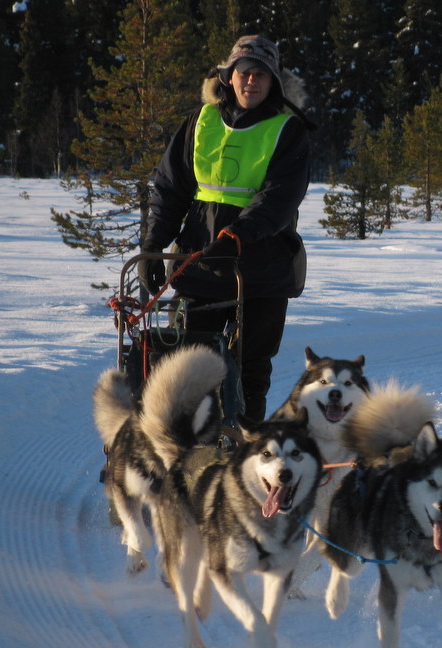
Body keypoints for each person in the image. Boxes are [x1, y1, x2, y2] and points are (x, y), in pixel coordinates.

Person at [138, 35, 310, 422]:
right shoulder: (200, 122)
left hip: (263, 272)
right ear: (228, 76)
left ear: (274, 82)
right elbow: (170, 189)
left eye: (261, 74)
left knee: (250, 374)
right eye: (244, 72)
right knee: (190, 370)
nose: (252, 81)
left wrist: (236, 237)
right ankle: (192, 448)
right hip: (200, 266)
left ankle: (245, 447)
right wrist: (153, 244)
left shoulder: (288, 130)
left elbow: (279, 198)